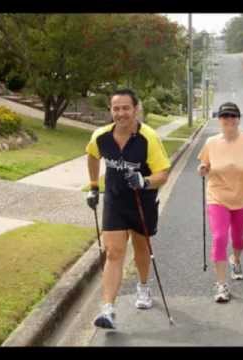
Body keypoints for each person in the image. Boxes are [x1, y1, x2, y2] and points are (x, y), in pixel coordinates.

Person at [85, 88, 170, 329]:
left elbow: (163, 173)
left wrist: (145, 181)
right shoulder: (101, 136)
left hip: (141, 202)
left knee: (141, 248)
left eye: (126, 108)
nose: (121, 113)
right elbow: (91, 155)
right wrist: (93, 187)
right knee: (113, 252)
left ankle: (143, 287)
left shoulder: (148, 137)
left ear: (136, 109)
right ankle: (108, 309)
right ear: (110, 110)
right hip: (114, 200)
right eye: (116, 108)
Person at [197, 102, 243, 303]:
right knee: (219, 237)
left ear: (238, 119)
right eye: (225, 116)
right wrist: (202, 168)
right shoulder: (211, 142)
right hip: (217, 197)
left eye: (233, 116)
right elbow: (204, 164)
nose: (229, 120)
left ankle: (236, 259)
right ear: (219, 119)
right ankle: (221, 284)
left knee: (239, 238)